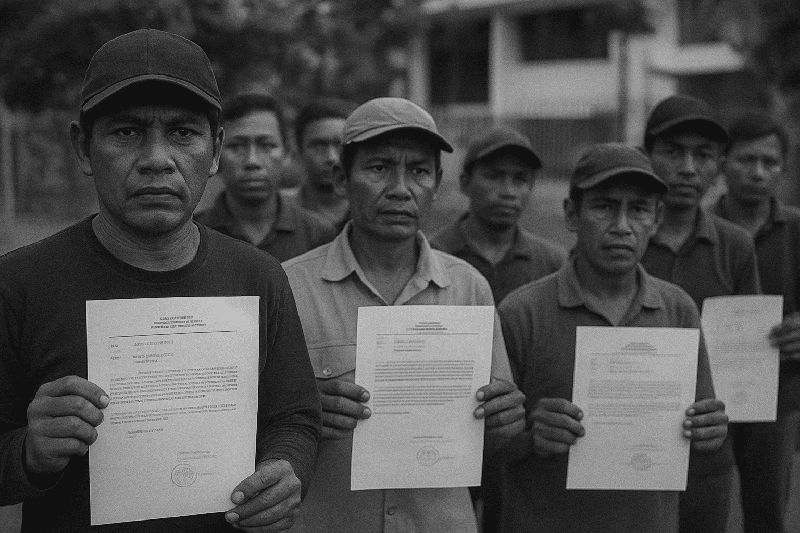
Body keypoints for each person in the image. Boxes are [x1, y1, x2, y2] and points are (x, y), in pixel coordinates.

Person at [0, 29, 321, 532]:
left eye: (183, 133)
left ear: (214, 151)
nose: (156, 158)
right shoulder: (17, 285)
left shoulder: (257, 276)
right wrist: (30, 452)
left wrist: (285, 469)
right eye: (126, 132)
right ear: (83, 148)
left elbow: (295, 418)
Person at [282, 97, 526, 533]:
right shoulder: (289, 287)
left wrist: (503, 420)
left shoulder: (468, 288)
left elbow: (488, 440)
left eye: (418, 171)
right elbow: (255, 433)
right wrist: (300, 413)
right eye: (379, 168)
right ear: (341, 179)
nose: (400, 188)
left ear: (436, 184)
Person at [497, 143, 728, 533]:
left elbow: (702, 429)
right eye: (604, 206)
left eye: (638, 209)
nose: (622, 226)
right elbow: (482, 449)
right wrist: (531, 437)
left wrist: (710, 429)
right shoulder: (521, 313)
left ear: (656, 219)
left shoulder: (678, 310)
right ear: (572, 214)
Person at [640, 94, 760, 533]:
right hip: (630, 432)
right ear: (647, 156)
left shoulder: (735, 246)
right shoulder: (618, 243)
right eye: (672, 153)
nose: (688, 168)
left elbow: (748, 357)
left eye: (703, 155)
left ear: (720, 165)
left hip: (706, 445)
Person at [714, 110, 800, 533]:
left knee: (767, 510)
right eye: (746, 160)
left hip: (779, 394)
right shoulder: (700, 230)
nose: (758, 172)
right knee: (697, 506)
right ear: (722, 163)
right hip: (704, 393)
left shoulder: (797, 229)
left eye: (770, 163)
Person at [195, 93, 336, 262]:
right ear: (215, 153)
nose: (252, 161)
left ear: (287, 154)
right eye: (237, 146)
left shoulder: (318, 234)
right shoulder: (192, 235)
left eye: (266, 145)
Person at [431, 127, 565, 304]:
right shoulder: (433, 256)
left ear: (531, 186)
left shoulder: (553, 264)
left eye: (520, 179)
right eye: (493, 176)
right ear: (465, 182)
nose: (508, 192)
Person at [295, 97, 355, 232]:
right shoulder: (276, 214)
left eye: (340, 145)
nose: (331, 157)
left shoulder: (374, 214)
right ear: (298, 150)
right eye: (319, 145)